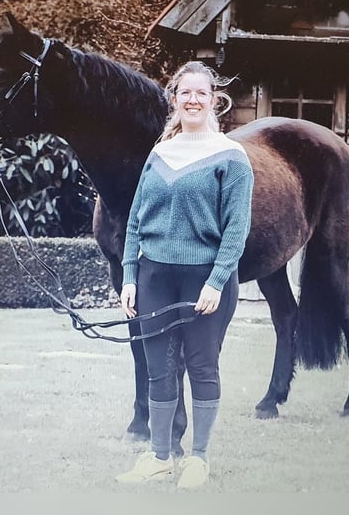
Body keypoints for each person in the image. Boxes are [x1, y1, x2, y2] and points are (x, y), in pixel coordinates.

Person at [115, 61, 254, 488]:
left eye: (201, 92)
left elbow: (237, 227)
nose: (193, 100)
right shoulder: (159, 154)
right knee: (158, 369)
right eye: (184, 93)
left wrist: (216, 281)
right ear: (173, 100)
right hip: (155, 278)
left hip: (204, 282)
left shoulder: (231, 157)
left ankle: (198, 458)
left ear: (214, 100)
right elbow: (135, 219)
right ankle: (159, 458)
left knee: (201, 367)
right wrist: (130, 276)